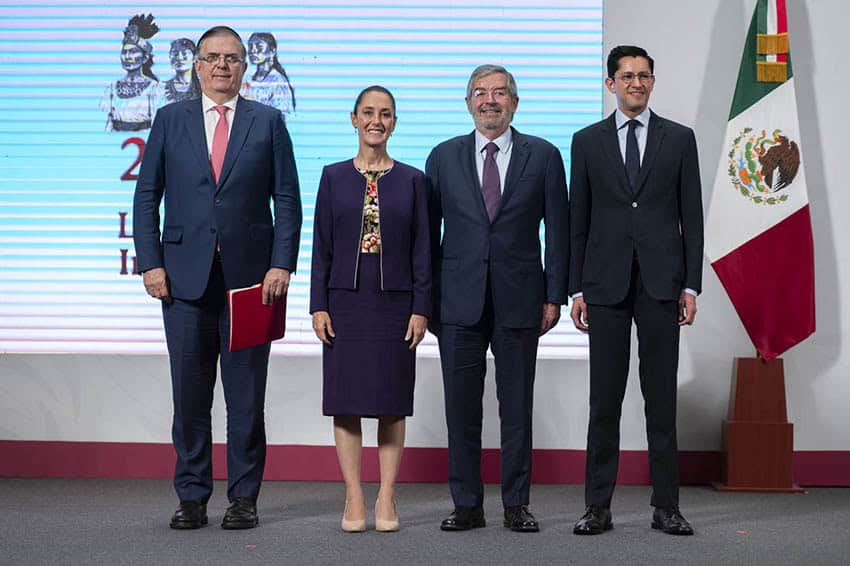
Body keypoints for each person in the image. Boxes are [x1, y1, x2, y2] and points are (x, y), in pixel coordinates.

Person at [133, 25, 302, 531]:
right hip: (183, 281)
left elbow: (287, 200)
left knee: (246, 397)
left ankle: (244, 498)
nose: (223, 65)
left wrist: (282, 263)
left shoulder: (268, 121)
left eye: (232, 58)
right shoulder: (169, 119)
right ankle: (191, 497)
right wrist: (150, 262)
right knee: (189, 396)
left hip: (252, 284)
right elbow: (147, 197)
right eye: (213, 58)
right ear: (197, 67)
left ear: (244, 67)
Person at [426, 65, 569, 533]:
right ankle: (466, 504)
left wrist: (554, 295)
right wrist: (425, 302)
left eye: (500, 93)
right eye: (481, 93)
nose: (491, 100)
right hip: (457, 303)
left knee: (517, 409)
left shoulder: (544, 156)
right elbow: (427, 238)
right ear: (467, 102)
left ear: (515, 102)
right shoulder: (442, 157)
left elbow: (559, 234)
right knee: (461, 410)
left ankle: (516, 505)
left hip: (521, 300)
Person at [569, 45, 703, 536]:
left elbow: (693, 216)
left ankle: (666, 506)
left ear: (652, 81)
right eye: (627, 77)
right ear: (611, 84)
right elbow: (576, 217)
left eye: (644, 76)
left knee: (659, 399)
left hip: (662, 283)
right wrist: (575, 288)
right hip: (603, 285)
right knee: (604, 401)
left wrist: (691, 284)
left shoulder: (680, 139)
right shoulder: (585, 141)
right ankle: (597, 507)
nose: (636, 84)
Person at [310, 86, 430, 533]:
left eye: (385, 113)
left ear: (394, 122)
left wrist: (422, 307)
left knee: (391, 402)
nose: (376, 120)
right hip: (344, 302)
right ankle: (354, 495)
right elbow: (320, 247)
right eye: (368, 112)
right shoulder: (333, 176)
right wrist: (318, 305)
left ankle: (387, 495)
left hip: (395, 305)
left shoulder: (414, 180)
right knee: (345, 402)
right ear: (354, 119)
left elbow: (423, 251)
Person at [100, 14, 161, 131]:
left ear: (145, 57)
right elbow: (109, 123)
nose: (127, 57)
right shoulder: (112, 88)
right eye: (124, 52)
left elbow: (157, 126)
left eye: (133, 52)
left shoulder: (154, 88)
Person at [241, 32, 296, 117]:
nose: (253, 51)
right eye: (250, 47)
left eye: (259, 47)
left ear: (272, 51)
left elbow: (283, 117)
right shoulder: (246, 79)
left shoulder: (278, 82)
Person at [161, 38, 200, 104]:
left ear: (194, 58)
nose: (179, 58)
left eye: (184, 53)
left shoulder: (204, 87)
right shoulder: (160, 89)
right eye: (175, 54)